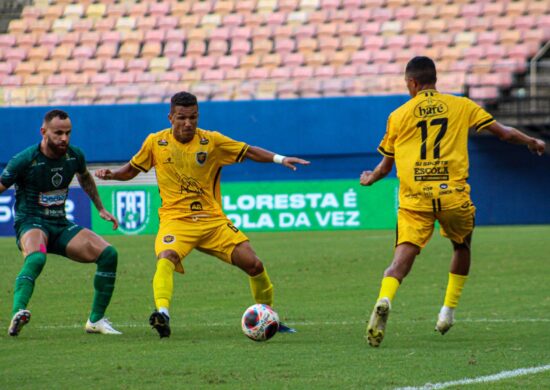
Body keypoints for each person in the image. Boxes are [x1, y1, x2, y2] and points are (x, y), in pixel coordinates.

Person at [360, 56, 546, 347]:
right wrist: (531, 142)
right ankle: (447, 312)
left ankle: (385, 297)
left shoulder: (398, 115)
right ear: (434, 79)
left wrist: (369, 178)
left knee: (400, 260)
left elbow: (385, 167)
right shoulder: (462, 105)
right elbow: (504, 133)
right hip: (452, 195)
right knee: (462, 245)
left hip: (414, 200)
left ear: (412, 83)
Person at [95, 91, 310, 338]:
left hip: (212, 222)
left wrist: (280, 159)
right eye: (181, 118)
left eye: (193, 117)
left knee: (254, 264)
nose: (188, 123)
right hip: (176, 221)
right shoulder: (155, 142)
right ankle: (162, 314)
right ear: (170, 117)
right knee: (166, 257)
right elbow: (131, 170)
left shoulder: (212, 141)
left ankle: (269, 317)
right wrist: (112, 175)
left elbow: (248, 151)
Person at [0, 109, 122, 336]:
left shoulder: (75, 156)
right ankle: (18, 312)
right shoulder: (25, 159)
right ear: (43, 131)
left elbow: (84, 177)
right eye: (58, 133)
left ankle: (95, 321)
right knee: (37, 256)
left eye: (68, 133)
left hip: (60, 223)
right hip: (31, 222)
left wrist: (101, 208)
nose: (64, 138)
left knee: (109, 254)